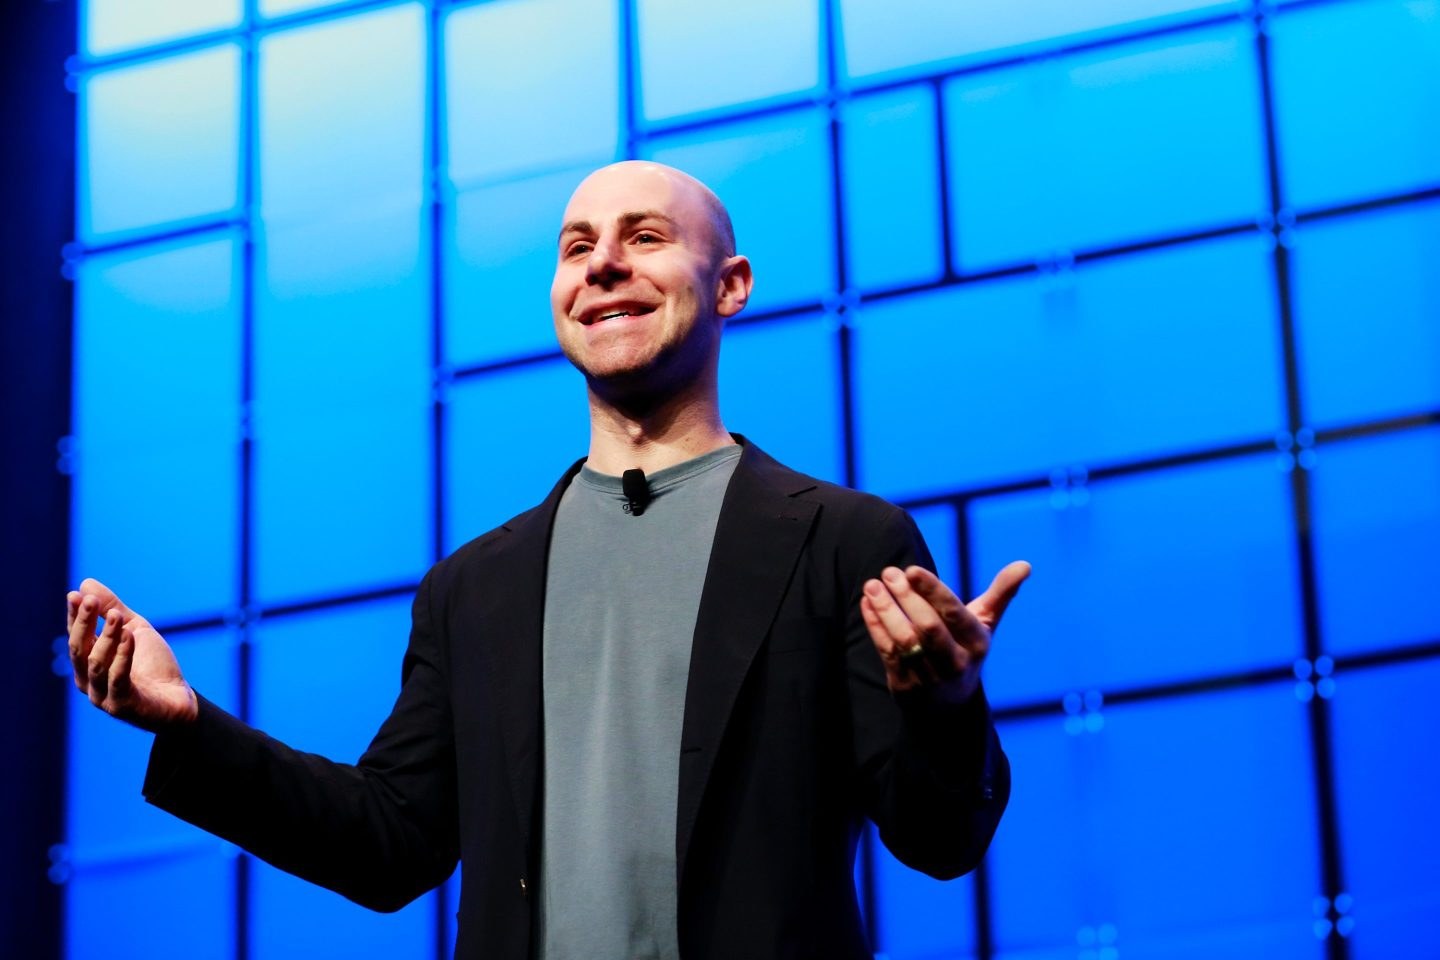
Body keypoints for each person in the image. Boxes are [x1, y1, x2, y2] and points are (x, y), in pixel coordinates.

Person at [66, 161, 1030, 960]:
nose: (604, 263)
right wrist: (189, 725)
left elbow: (941, 843)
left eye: (645, 238)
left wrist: (943, 709)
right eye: (578, 248)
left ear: (732, 284)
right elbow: (390, 843)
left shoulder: (844, 542)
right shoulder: (475, 588)